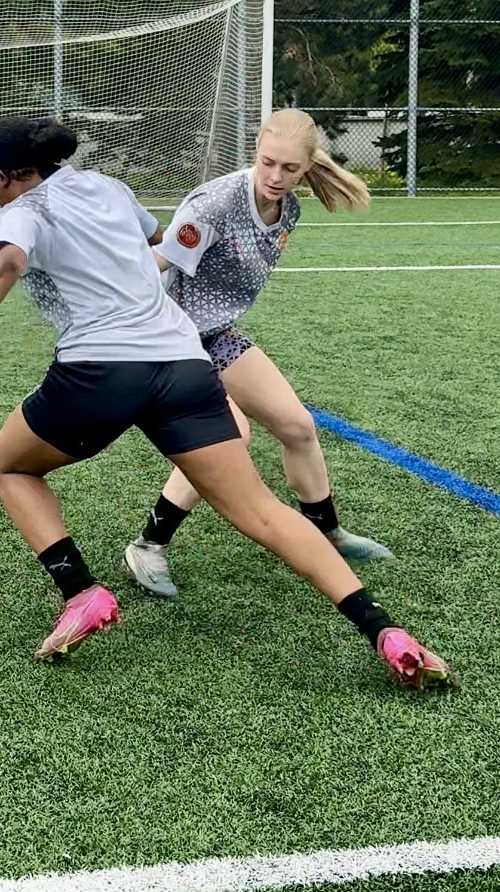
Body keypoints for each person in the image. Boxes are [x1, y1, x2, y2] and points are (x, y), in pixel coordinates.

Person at [0, 115, 454, 690]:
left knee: (9, 465)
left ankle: (81, 592)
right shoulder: (105, 186)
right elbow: (152, 246)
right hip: (184, 363)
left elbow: (7, 260)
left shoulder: (22, 208)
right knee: (265, 512)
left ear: (2, 177)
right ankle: (386, 632)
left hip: (101, 372)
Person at [124, 108, 394, 602]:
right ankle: (148, 545)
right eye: (267, 163)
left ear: (307, 165)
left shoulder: (288, 209)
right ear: (256, 151)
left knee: (297, 425)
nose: (275, 177)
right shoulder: (214, 204)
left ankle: (325, 533)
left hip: (215, 333)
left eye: (289, 169)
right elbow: (155, 263)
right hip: (170, 338)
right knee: (229, 436)